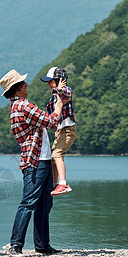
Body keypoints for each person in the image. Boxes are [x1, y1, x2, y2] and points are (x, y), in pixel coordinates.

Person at [0, 69, 66, 256]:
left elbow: (42, 121)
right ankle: (16, 244)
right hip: (36, 160)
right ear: (17, 88)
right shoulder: (23, 106)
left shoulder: (17, 106)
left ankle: (42, 245)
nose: (27, 85)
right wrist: (59, 103)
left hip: (39, 159)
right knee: (30, 203)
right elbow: (51, 121)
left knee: (44, 204)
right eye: (23, 83)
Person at [40, 67, 77, 196]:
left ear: (60, 80)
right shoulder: (53, 97)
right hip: (60, 131)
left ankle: (63, 183)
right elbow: (51, 115)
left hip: (68, 130)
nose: (49, 84)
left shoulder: (65, 90)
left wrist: (60, 88)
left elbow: (66, 95)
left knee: (57, 155)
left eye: (51, 81)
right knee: (52, 157)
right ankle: (55, 184)